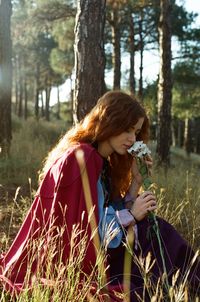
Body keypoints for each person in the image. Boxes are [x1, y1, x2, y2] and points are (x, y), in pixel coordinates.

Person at [0, 91, 199, 300]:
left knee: (155, 229)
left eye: (136, 132)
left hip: (101, 251)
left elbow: (103, 214)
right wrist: (131, 214)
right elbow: (86, 234)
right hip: (75, 263)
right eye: (127, 129)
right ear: (109, 122)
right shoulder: (83, 158)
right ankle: (186, 284)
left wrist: (135, 184)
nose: (132, 139)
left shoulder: (101, 162)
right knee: (155, 235)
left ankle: (185, 283)